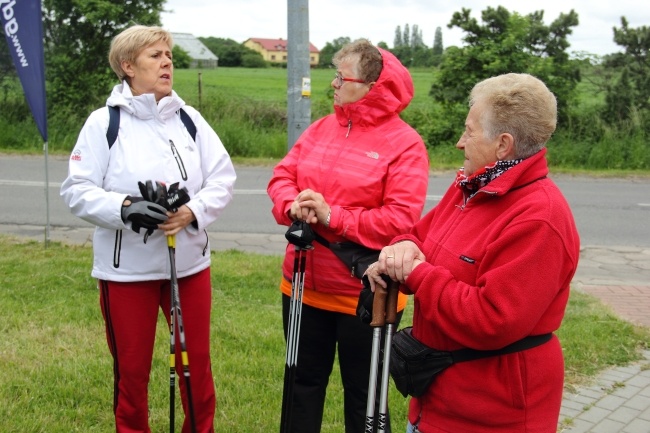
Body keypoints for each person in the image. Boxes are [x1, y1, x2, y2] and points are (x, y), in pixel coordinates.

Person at [365, 73, 580, 433]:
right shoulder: (472, 185)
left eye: (469, 130)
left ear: (503, 145)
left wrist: (417, 273)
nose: (459, 142)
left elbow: (492, 319)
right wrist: (400, 249)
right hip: (436, 402)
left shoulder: (540, 218)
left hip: (490, 417)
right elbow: (421, 235)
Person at [60, 25, 236, 433]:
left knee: (196, 367)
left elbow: (222, 178)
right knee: (132, 375)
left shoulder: (189, 118)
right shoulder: (105, 123)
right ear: (127, 66)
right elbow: (77, 189)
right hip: (127, 273)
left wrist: (192, 210)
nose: (167, 62)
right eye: (155, 55)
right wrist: (126, 208)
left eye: (169, 55)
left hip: (188, 266)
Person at [267, 39, 430, 433]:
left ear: (373, 85)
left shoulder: (406, 144)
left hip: (367, 293)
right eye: (335, 75)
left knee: (365, 398)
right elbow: (282, 176)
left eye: (343, 77)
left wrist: (331, 215)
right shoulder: (323, 128)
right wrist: (293, 204)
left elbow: (400, 220)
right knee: (300, 387)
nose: (334, 84)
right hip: (304, 285)